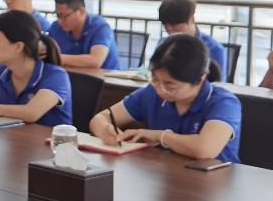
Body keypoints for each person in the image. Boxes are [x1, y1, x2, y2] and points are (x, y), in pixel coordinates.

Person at [90, 34, 240, 163]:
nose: (160, 89)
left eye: (170, 85)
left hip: (215, 182)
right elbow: (100, 118)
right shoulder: (151, 93)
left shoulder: (224, 103)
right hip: (166, 174)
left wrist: (159, 136)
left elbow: (205, 149)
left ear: (199, 80)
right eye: (155, 79)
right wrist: (105, 131)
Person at [47, 0, 121, 70]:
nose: (60, 21)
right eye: (58, 16)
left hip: (105, 77)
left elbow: (95, 61)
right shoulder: (55, 27)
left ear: (82, 11)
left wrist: (58, 58)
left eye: (64, 16)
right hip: (72, 75)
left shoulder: (100, 27)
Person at [157, 0, 227, 80]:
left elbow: (216, 83)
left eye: (175, 26)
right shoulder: (163, 43)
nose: (170, 31)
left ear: (191, 19)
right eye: (165, 26)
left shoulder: (213, 49)